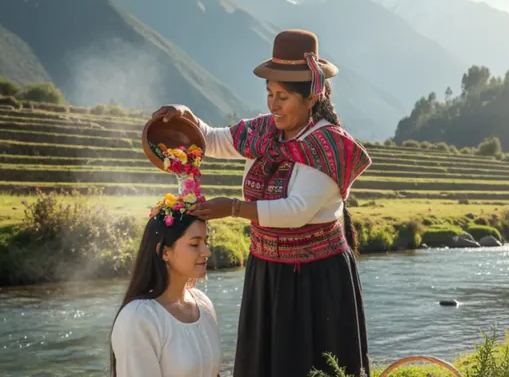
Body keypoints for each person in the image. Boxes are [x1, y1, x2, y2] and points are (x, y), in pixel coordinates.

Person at [151, 29, 373, 377]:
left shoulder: (328, 146)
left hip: (314, 279)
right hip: (267, 271)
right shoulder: (264, 132)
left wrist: (233, 208)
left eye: (283, 96)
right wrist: (184, 116)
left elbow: (294, 212)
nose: (273, 104)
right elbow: (213, 140)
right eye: (270, 94)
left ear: (311, 98)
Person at [109, 200, 222, 377]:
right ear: (164, 252)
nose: (207, 251)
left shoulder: (203, 304)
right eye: (194, 244)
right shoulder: (139, 318)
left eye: (206, 242)